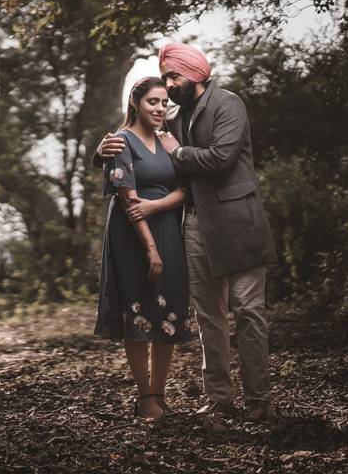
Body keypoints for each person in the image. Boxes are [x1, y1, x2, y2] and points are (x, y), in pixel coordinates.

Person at [95, 43, 277, 422]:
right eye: (165, 78)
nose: (169, 85)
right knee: (209, 315)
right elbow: (137, 140)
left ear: (194, 74)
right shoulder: (173, 115)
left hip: (238, 223)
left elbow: (220, 159)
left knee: (247, 311)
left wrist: (178, 153)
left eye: (174, 77)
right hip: (194, 223)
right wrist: (102, 152)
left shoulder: (229, 104)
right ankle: (219, 397)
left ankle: (258, 398)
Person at [94, 76, 192, 421]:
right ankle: (145, 395)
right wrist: (150, 248)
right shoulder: (120, 141)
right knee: (138, 314)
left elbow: (185, 190)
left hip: (166, 226)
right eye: (153, 102)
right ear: (136, 103)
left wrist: (158, 207)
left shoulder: (168, 141)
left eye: (164, 103)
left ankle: (160, 393)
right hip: (132, 235)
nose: (160, 108)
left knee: (166, 311)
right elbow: (128, 199)